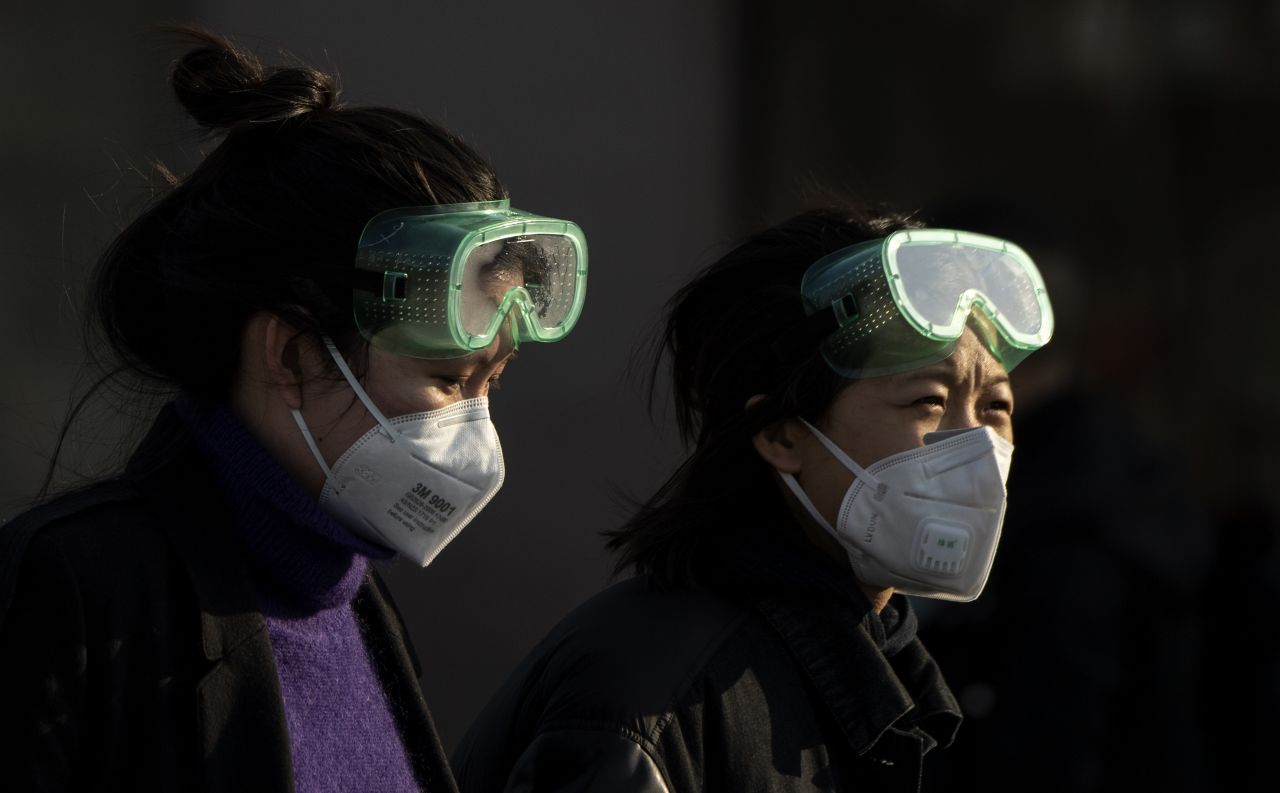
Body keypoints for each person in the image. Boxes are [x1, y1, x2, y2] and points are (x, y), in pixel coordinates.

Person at [0, 27, 587, 792]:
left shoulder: (348, 594)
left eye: (491, 383)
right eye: (446, 379)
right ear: (292, 354)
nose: (474, 431)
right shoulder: (78, 590)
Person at [452, 207, 1052, 792]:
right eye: (926, 401)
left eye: (996, 407)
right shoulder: (648, 691)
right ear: (781, 435)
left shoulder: (885, 661)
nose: (975, 446)